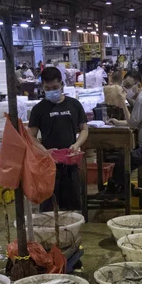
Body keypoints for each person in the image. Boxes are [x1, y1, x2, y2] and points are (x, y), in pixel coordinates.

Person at [28, 67, 88, 211]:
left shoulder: (74, 105)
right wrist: (45, 151)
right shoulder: (39, 109)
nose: (52, 91)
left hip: (70, 162)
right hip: (49, 165)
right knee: (48, 206)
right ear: (42, 87)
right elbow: (30, 136)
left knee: (71, 206)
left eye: (55, 87)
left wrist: (77, 144)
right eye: (47, 88)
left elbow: (85, 129)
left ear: (62, 84)